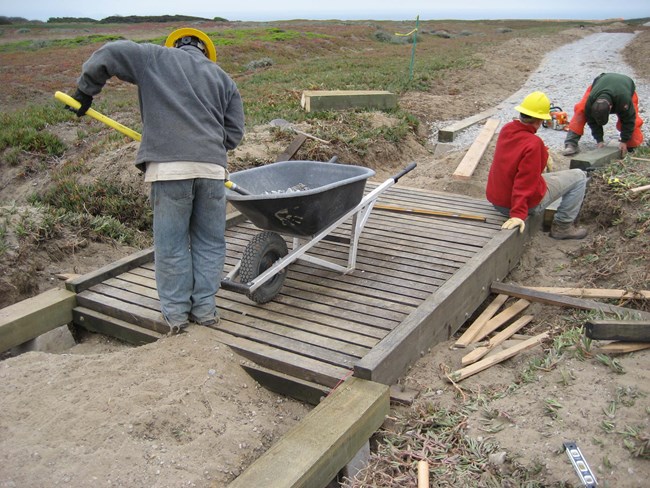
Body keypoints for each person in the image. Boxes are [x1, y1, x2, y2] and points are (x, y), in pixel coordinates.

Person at [69, 28, 245, 334]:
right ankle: (204, 309)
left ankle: (176, 315)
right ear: (206, 51)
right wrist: (205, 147)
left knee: (172, 245)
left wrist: (85, 91)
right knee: (210, 243)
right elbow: (234, 135)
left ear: (175, 43)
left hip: (169, 172)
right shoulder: (223, 79)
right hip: (212, 172)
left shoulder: (155, 57)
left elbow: (110, 53)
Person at [486, 91, 588, 240]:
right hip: (514, 207)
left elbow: (520, 154)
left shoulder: (507, 129)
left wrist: (543, 153)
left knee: (544, 178)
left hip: (497, 201)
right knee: (579, 176)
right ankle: (563, 227)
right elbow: (524, 182)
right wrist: (518, 214)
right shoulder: (534, 144)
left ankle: (562, 225)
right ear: (540, 120)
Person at [562, 72, 644, 157]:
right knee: (581, 110)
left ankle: (634, 145)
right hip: (599, 87)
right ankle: (571, 142)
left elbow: (629, 119)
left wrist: (624, 141)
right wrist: (599, 140)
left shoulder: (623, 99)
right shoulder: (591, 100)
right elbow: (592, 120)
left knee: (633, 122)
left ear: (611, 107)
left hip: (624, 90)